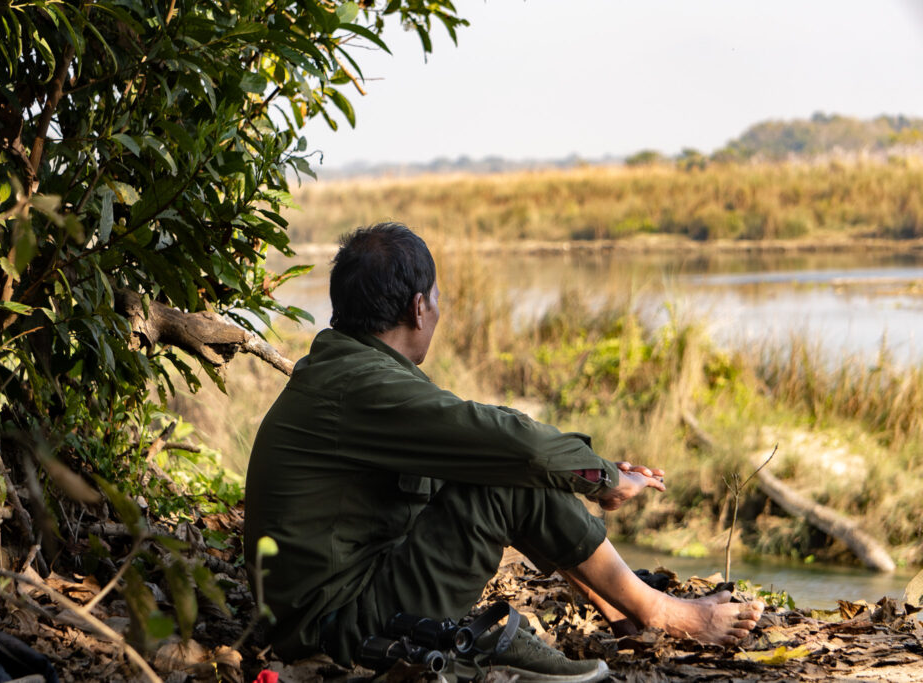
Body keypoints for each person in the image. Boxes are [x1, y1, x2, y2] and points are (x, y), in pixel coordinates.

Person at [243, 223, 764, 682]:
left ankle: (616, 603)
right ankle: (659, 612)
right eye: (437, 299)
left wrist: (584, 467)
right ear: (417, 308)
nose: (438, 311)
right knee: (505, 473)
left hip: (332, 607)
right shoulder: (360, 386)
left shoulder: (348, 372)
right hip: (332, 629)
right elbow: (510, 443)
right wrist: (604, 478)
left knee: (492, 465)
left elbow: (476, 448)